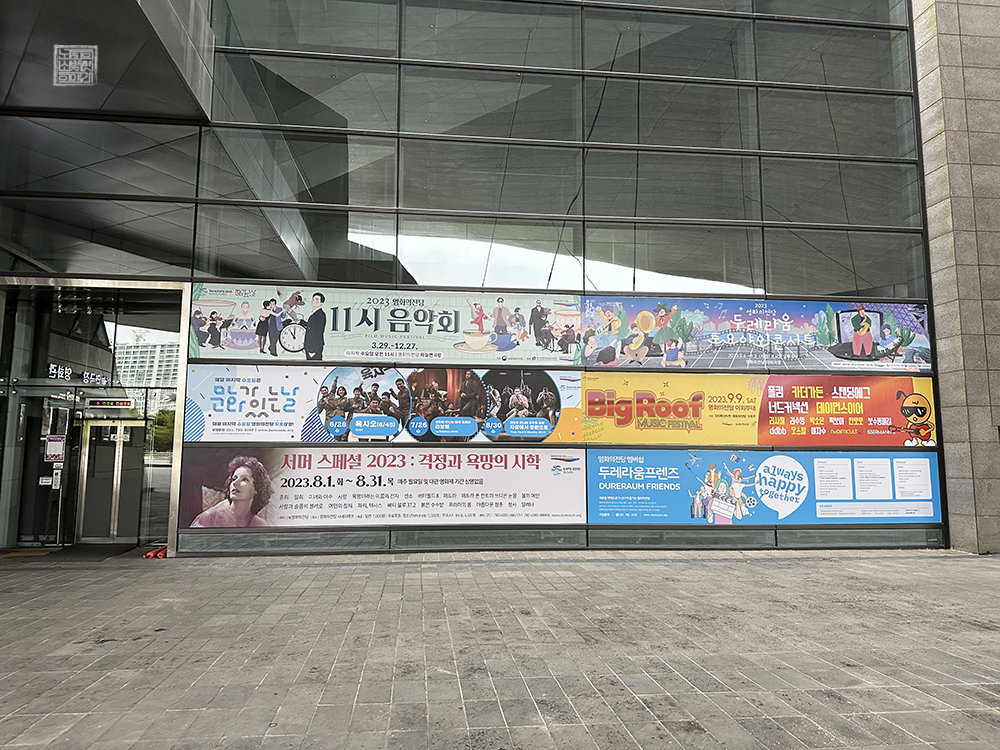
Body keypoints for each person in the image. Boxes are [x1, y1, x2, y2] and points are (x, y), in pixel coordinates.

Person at [191, 456, 272, 528]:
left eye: (244, 479)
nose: (235, 483)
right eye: (234, 479)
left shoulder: (260, 525)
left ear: (257, 488)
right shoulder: (207, 519)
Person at [304, 292, 326, 361]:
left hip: (314, 348)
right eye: (313, 299)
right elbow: (311, 327)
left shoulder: (320, 315)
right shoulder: (314, 313)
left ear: (321, 303)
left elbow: (318, 332)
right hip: (309, 346)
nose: (314, 301)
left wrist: (313, 350)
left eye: (317, 299)